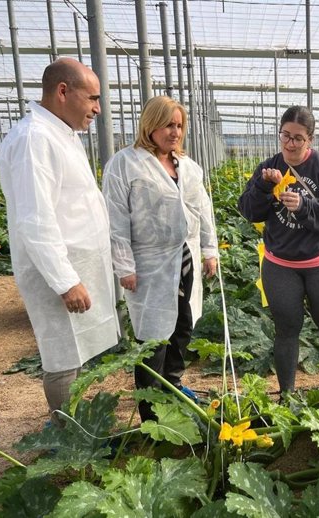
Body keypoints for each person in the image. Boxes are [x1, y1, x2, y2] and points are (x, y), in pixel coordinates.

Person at [0, 57, 120, 425]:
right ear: (63, 91)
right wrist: (66, 281)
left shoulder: (57, 132)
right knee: (62, 353)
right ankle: (68, 435)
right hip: (59, 272)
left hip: (75, 264)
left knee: (75, 351)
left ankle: (74, 427)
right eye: (93, 98)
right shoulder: (34, 138)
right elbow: (35, 220)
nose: (98, 109)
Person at [102, 96, 218, 422]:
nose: (175, 132)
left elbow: (203, 210)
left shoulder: (187, 166)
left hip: (185, 256)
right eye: (169, 124)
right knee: (152, 337)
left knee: (182, 324)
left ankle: (174, 384)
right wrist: (124, 265)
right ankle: (151, 412)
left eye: (179, 125)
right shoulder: (126, 164)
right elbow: (116, 218)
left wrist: (210, 251)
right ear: (150, 125)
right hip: (148, 262)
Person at [238, 105, 319, 394]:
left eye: (298, 138)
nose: (290, 143)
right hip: (281, 264)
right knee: (286, 328)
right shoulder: (268, 167)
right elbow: (249, 211)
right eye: (285, 135)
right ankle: (286, 395)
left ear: (310, 139)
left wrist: (304, 206)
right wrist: (263, 187)